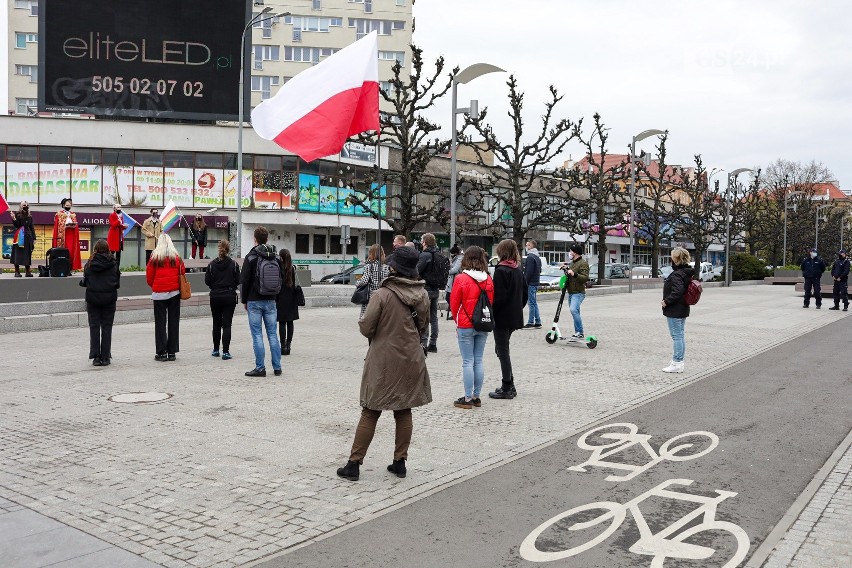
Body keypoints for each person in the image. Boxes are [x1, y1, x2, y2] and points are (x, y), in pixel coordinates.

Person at [336, 246, 431, 481]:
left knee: (370, 410)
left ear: (394, 267)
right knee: (404, 408)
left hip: (384, 359)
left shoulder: (382, 294)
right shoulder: (422, 294)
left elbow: (367, 327)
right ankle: (400, 462)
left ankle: (354, 464)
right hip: (411, 357)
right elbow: (423, 326)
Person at [449, 246, 495, 409]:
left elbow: (454, 304)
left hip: (465, 324)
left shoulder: (461, 279)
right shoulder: (488, 279)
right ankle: (476, 396)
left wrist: (457, 320)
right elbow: (491, 302)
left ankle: (467, 398)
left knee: (467, 361)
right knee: (479, 360)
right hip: (483, 323)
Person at [240, 226, 283, 377]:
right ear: (267, 239)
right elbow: (281, 279)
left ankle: (260, 368)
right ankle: (277, 367)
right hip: (271, 300)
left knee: (257, 335)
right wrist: (275, 297)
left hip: (254, 300)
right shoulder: (276, 257)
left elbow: (244, 281)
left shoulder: (251, 257)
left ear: (255, 239)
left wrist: (244, 300)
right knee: (273, 334)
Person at [488, 239, 528, 400]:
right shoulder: (517, 269)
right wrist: (517, 308)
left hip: (501, 317)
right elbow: (524, 294)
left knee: (502, 351)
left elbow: (498, 297)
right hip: (514, 316)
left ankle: (507, 386)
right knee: (501, 349)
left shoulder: (502, 270)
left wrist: (492, 311)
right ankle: (509, 383)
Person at [80, 240, 120, 366]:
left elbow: (85, 281)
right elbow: (117, 283)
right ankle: (106, 357)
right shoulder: (113, 264)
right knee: (107, 327)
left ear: (95, 249)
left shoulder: (90, 264)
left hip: (93, 299)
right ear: (108, 249)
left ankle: (96, 357)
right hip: (109, 299)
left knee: (94, 327)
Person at [146, 234, 184, 362]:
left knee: (160, 323)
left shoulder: (154, 258)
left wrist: (155, 286)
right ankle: (172, 352)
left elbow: (149, 277)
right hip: (174, 293)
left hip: (159, 294)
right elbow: (182, 273)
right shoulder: (177, 258)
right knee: (173, 322)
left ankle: (161, 352)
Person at [661, 247, 695, 373]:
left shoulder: (677, 274)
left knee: (677, 336)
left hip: (675, 309)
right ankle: (678, 361)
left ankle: (677, 362)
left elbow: (677, 291)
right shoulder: (686, 272)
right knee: (680, 336)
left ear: (675, 259)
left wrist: (666, 301)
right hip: (682, 308)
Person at [205, 240, 240, 360]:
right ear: (228, 249)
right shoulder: (234, 265)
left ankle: (215, 350)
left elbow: (207, 281)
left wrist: (215, 286)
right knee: (227, 324)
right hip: (229, 296)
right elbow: (238, 280)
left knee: (216, 323)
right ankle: (225, 352)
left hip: (215, 296)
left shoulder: (211, 265)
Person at [416, 233, 442, 352]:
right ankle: (434, 343)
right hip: (436, 288)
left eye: (422, 240)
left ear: (425, 242)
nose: (421, 243)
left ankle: (424, 344)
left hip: (425, 289)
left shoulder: (424, 255)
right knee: (434, 317)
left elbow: (416, 271)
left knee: (424, 317)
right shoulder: (438, 255)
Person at [561, 243, 590, 338]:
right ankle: (578, 332)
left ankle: (580, 332)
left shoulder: (583, 263)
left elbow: (585, 278)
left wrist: (574, 274)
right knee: (575, 312)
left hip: (578, 292)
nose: (569, 253)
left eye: (571, 251)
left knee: (573, 310)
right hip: (571, 292)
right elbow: (570, 274)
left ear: (575, 253)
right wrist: (566, 269)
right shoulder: (572, 263)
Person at [276, 248, 300, 356]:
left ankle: (283, 346)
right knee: (290, 322)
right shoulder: (292, 268)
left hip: (281, 298)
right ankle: (289, 346)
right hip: (292, 298)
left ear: (281, 257)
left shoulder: (278, 268)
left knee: (282, 322)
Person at [358, 244, 390, 320]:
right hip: (383, 295)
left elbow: (364, 281)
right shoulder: (386, 267)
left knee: (367, 318)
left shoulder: (369, 266)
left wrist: (357, 283)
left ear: (371, 253)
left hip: (371, 295)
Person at [52, 198, 82, 270]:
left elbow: (76, 225)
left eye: (69, 205)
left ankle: (70, 267)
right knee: (63, 252)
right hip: (63, 235)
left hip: (71, 235)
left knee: (71, 251)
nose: (68, 206)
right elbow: (57, 226)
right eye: (67, 205)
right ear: (63, 205)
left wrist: (74, 225)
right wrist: (64, 226)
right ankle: (62, 267)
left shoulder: (73, 214)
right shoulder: (59, 214)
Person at [10, 201, 35, 277]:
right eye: (24, 205)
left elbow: (31, 227)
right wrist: (13, 218)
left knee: (27, 254)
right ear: (20, 206)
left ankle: (28, 271)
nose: (26, 206)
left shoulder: (30, 216)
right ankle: (17, 271)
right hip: (19, 236)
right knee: (18, 253)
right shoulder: (17, 215)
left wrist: (34, 238)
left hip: (28, 236)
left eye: (27, 205)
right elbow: (17, 225)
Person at [523, 239, 543, 329]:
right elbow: (539, 270)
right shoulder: (537, 257)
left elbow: (528, 272)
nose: (526, 247)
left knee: (531, 303)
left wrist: (525, 283)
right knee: (534, 303)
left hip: (531, 283)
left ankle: (531, 322)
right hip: (535, 282)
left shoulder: (530, 257)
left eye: (528, 245)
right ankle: (538, 321)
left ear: (532, 246)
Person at [444, 244, 463, 320]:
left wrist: (447, 271)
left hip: (455, 281)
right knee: (448, 297)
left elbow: (455, 269)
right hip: (452, 280)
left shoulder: (459, 259)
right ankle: (454, 311)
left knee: (450, 297)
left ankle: (456, 311)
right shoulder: (456, 258)